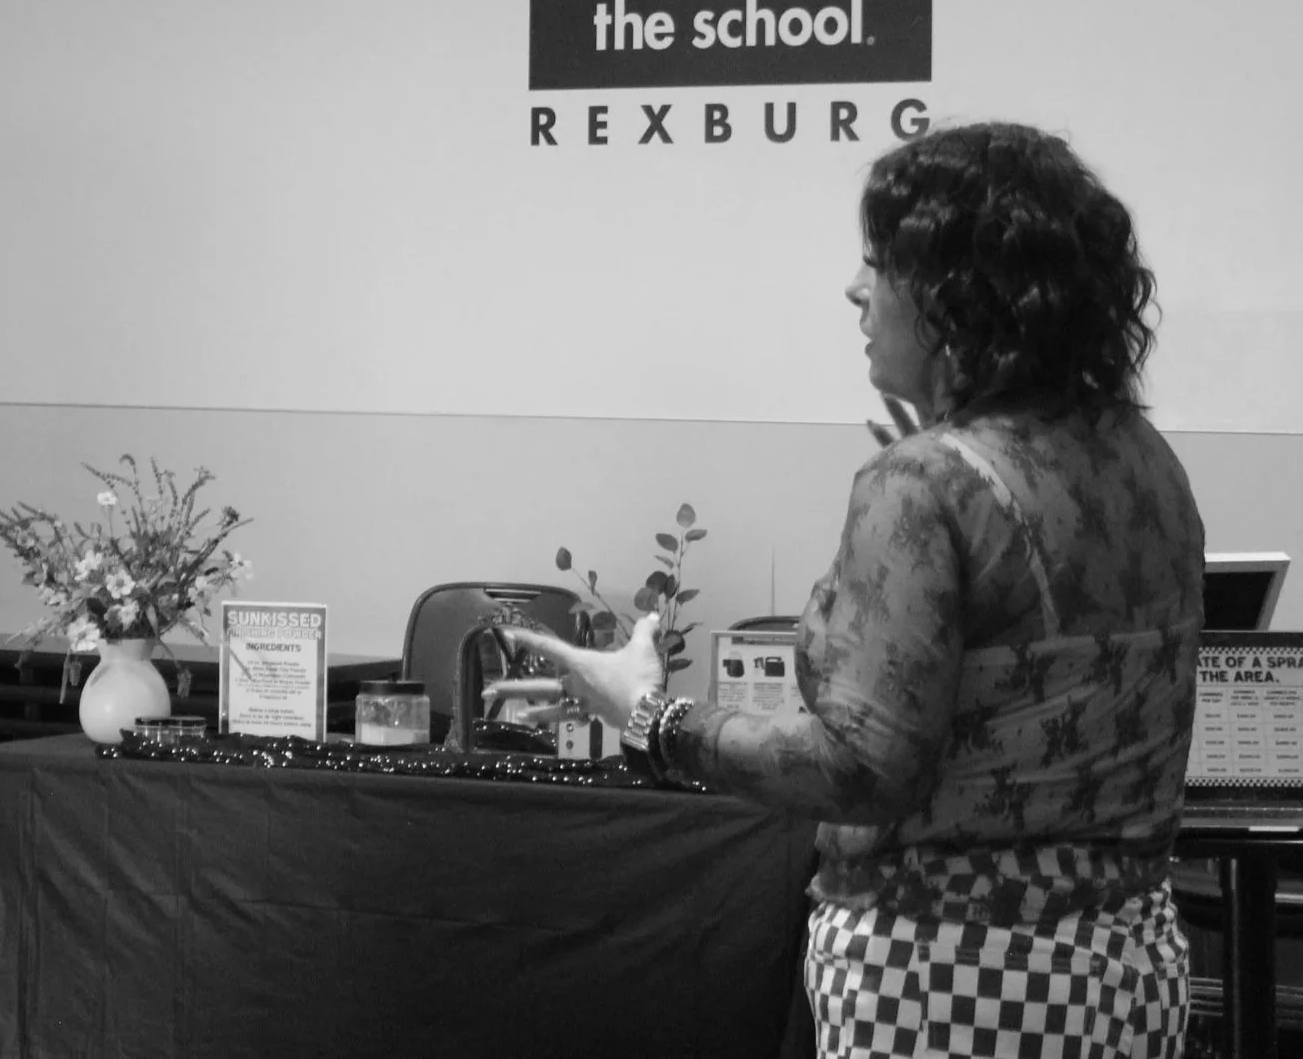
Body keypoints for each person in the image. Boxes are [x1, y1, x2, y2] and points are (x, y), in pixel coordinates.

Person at [499, 121, 1203, 1057]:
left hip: (956, 979)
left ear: (959, 294)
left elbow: (863, 769)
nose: (855, 288)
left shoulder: (923, 484)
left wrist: (652, 718)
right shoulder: (1144, 459)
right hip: (1133, 965)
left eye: (880, 262)